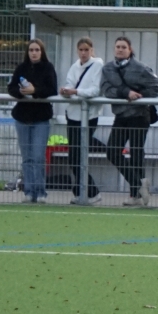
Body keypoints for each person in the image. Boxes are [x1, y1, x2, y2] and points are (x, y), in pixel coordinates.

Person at [102, 37, 158, 207]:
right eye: (117, 47)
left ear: (130, 49)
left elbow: (157, 87)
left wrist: (139, 95)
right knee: (112, 151)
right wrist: (125, 93)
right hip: (121, 115)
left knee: (136, 153)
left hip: (139, 115)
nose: (120, 49)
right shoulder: (108, 68)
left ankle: (135, 196)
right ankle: (138, 183)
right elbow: (106, 90)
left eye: (123, 47)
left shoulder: (141, 68)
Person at [7, 38, 58, 203]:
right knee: (27, 157)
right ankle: (28, 191)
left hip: (41, 118)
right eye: (31, 50)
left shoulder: (48, 68)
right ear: (27, 52)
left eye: (37, 50)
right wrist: (21, 92)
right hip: (22, 117)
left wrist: (35, 90)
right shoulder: (21, 68)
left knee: (38, 156)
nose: (34, 53)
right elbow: (11, 87)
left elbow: (52, 89)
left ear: (41, 52)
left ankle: (40, 191)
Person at [58, 37, 106, 201]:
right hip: (72, 115)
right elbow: (70, 84)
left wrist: (76, 92)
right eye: (81, 50)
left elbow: (95, 90)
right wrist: (66, 91)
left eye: (87, 50)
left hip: (89, 116)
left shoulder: (98, 65)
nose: (84, 53)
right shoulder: (74, 66)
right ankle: (82, 191)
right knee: (73, 156)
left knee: (79, 154)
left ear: (92, 50)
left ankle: (89, 192)